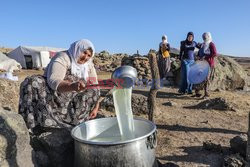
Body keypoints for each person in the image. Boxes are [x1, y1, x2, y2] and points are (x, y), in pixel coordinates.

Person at [18, 39, 100, 132]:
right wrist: (72, 86)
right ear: (77, 49)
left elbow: (95, 85)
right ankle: (37, 124)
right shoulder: (63, 57)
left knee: (94, 90)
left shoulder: (89, 65)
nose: (86, 57)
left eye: (89, 55)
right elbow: (54, 80)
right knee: (33, 82)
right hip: (54, 96)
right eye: (84, 52)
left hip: (73, 100)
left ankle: (76, 124)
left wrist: (96, 106)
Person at [194, 32, 217, 98]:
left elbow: (215, 53)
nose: (204, 37)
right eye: (203, 36)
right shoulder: (203, 44)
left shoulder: (211, 44)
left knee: (206, 79)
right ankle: (197, 93)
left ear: (209, 36)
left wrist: (206, 57)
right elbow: (200, 52)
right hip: (201, 64)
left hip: (208, 64)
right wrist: (198, 56)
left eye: (206, 36)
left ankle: (206, 94)